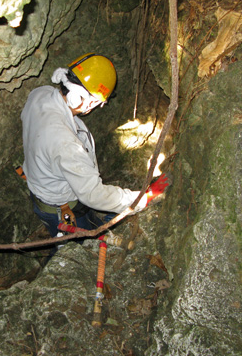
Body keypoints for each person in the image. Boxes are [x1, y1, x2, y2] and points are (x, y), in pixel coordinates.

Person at [21, 53, 147, 237]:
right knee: (81, 246)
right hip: (60, 209)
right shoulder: (66, 144)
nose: (94, 107)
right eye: (97, 102)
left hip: (44, 189)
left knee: (90, 220)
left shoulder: (41, 94)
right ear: (80, 98)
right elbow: (93, 195)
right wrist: (138, 200)